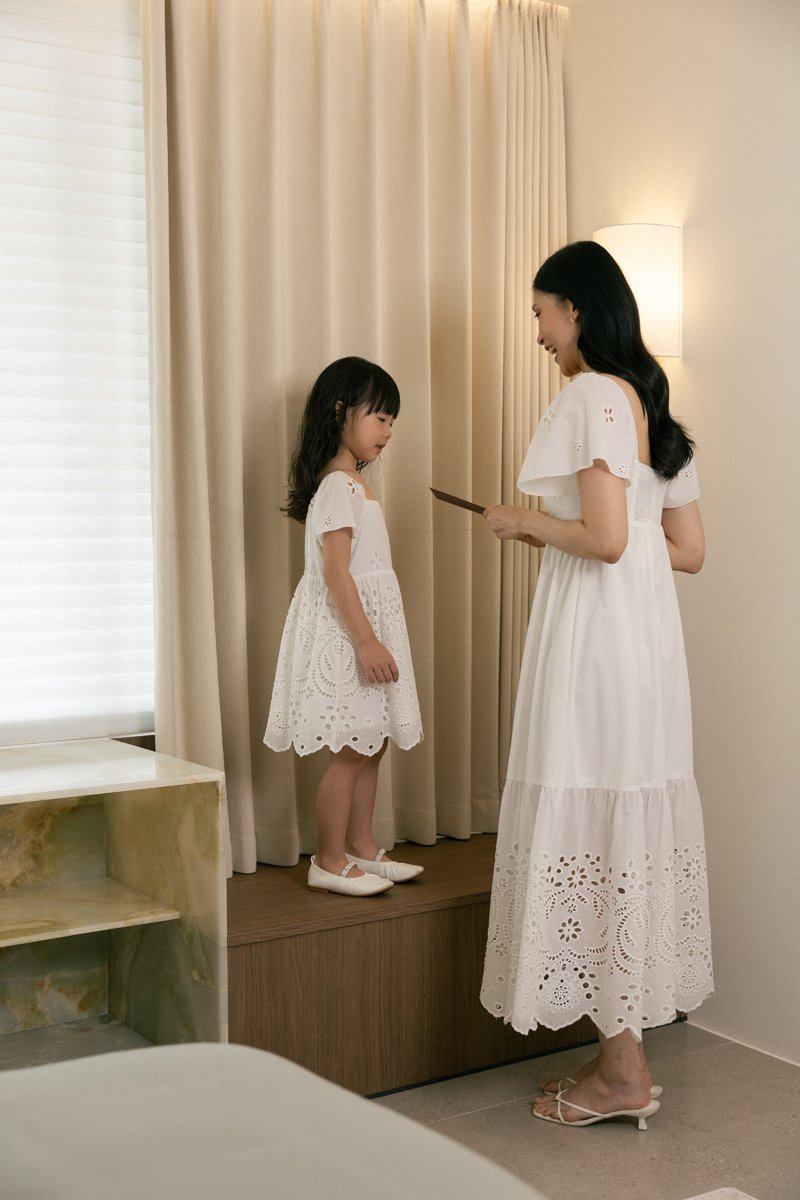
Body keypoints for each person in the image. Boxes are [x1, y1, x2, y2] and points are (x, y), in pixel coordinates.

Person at [479, 241, 713, 1129]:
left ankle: (621, 1077)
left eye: (542, 313)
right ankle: (625, 1059)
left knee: (589, 810)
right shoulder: (653, 403)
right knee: (623, 823)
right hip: (645, 645)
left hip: (594, 639)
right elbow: (685, 550)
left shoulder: (590, 397)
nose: (539, 332)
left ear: (576, 309)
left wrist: (525, 523)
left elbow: (606, 540)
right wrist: (603, 533)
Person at [265, 356, 423, 896]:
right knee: (352, 749)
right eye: (380, 418)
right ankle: (329, 860)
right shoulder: (338, 485)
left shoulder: (351, 483)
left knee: (372, 743)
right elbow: (336, 572)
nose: (388, 431)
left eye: (392, 421)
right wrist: (367, 641)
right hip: (348, 634)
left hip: (363, 628)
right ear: (340, 413)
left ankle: (360, 846)